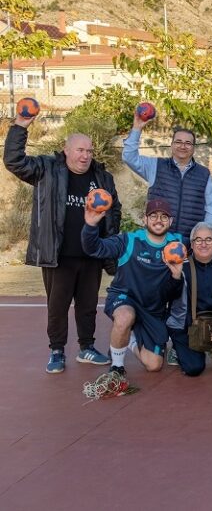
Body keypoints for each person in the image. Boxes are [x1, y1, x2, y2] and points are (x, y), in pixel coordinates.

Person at [4, 110, 121, 372]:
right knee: (57, 306)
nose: (85, 155)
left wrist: (110, 248)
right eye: (80, 150)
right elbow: (14, 161)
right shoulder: (47, 169)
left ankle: (86, 347)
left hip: (92, 254)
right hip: (59, 255)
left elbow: (114, 211)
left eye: (89, 151)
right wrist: (21, 126)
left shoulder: (103, 177)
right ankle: (57, 350)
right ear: (65, 150)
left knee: (88, 305)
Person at [81, 199, 185, 376]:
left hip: (153, 310)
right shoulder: (128, 240)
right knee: (124, 317)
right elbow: (94, 248)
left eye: (164, 216)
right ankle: (117, 367)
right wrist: (90, 225)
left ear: (171, 221)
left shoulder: (178, 244)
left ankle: (129, 339)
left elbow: (207, 246)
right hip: (124, 299)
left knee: (154, 365)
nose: (158, 220)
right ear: (144, 219)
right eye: (153, 215)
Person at [123, 110, 212, 238]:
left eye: (188, 143)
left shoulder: (204, 174)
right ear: (171, 145)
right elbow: (129, 157)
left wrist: (204, 236)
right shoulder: (155, 165)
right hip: (157, 241)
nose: (183, 146)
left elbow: (211, 208)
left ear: (194, 148)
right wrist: (137, 128)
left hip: (189, 243)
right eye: (178, 142)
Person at [166, 222, 212, 375]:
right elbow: (168, 297)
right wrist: (175, 277)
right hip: (186, 326)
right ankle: (177, 349)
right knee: (194, 368)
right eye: (198, 240)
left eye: (209, 240)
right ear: (191, 244)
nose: (203, 244)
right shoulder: (180, 266)